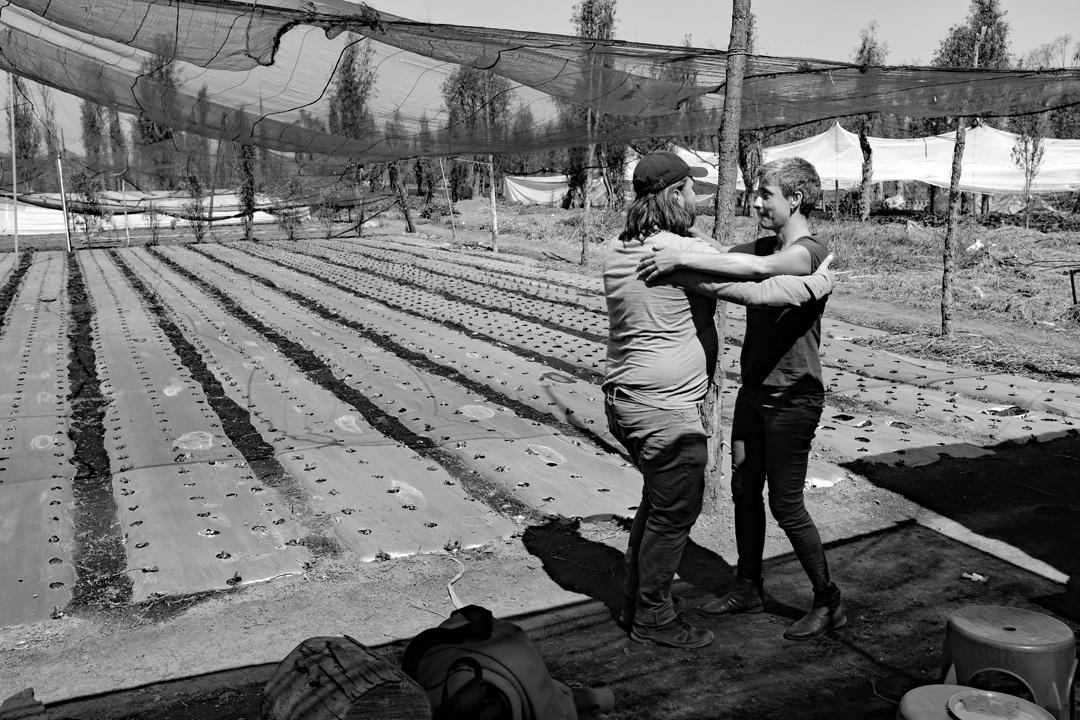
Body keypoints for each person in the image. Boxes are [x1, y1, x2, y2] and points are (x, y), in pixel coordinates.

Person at [604, 151, 837, 649]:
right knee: (726, 496)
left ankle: (826, 598)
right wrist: (687, 248)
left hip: (791, 394)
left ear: (796, 199)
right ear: (674, 195)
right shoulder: (684, 253)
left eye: (765, 195)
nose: (755, 204)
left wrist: (818, 280)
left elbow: (766, 272)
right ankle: (724, 593)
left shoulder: (809, 249)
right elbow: (741, 270)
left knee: (783, 502)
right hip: (724, 397)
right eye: (691, 189)